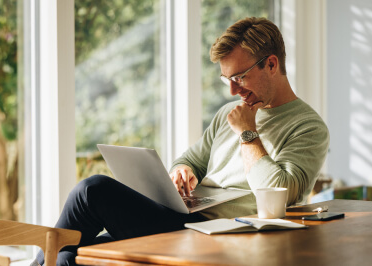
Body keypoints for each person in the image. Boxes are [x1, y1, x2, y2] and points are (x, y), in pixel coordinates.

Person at [32, 17, 329, 266]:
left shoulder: (308, 127)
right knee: (70, 257)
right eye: (227, 80)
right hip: (183, 217)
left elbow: (283, 193)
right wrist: (181, 172)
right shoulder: (228, 113)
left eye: (240, 77)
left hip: (222, 233)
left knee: (92, 190)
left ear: (272, 64)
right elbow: (190, 160)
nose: (232, 91)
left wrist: (247, 133)